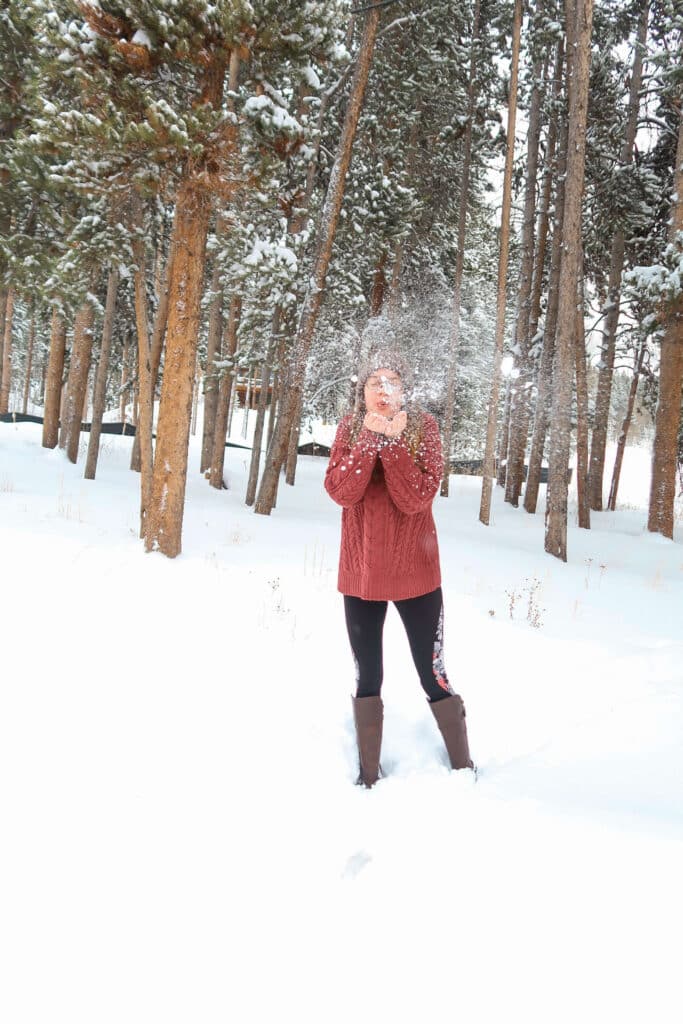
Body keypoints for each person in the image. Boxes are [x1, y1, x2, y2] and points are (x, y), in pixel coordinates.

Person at [324, 347, 474, 787]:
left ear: (405, 390)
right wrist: (370, 439)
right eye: (375, 382)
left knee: (433, 672)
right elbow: (341, 490)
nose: (383, 391)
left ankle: (464, 768)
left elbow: (415, 499)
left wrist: (390, 444)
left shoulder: (424, 428)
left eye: (392, 382)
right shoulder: (350, 428)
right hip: (362, 573)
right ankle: (367, 775)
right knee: (367, 674)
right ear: (363, 390)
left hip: (417, 574)